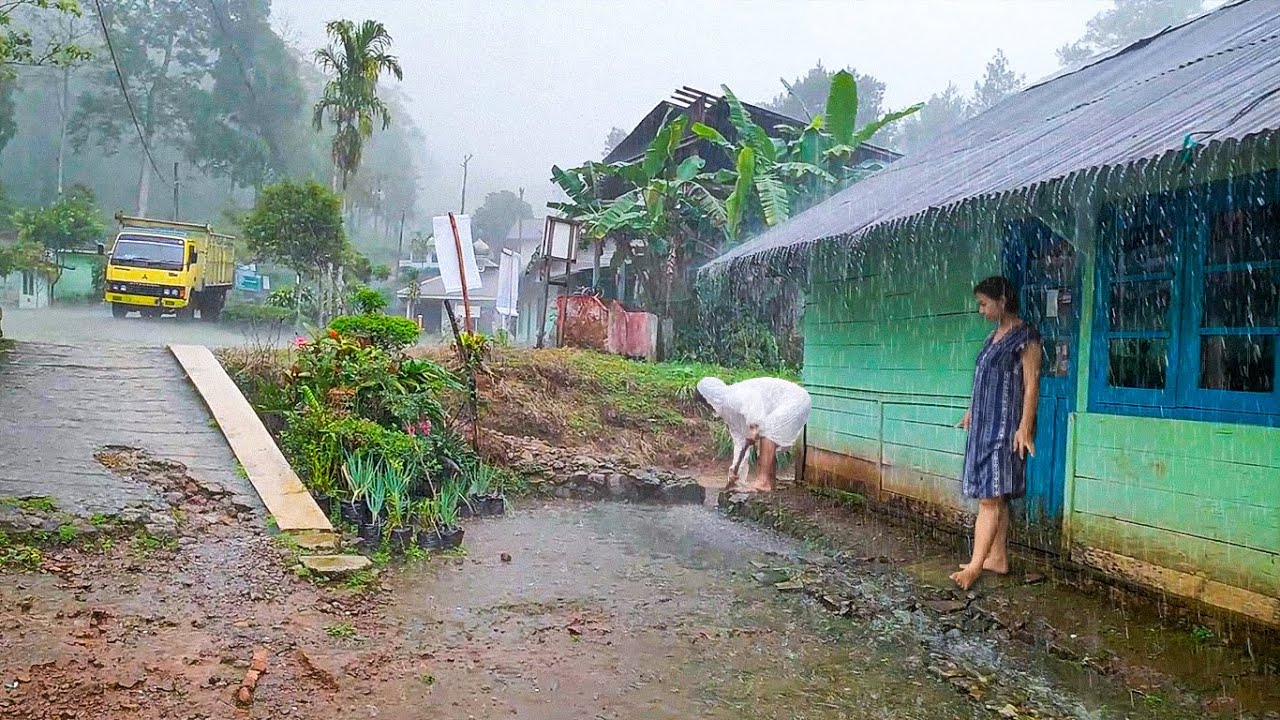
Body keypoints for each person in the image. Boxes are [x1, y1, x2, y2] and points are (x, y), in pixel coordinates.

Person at [950, 276, 1041, 591]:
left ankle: (974, 567)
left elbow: (1031, 386)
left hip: (1005, 429)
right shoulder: (993, 337)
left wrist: (1025, 426)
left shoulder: (1025, 337)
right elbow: (986, 381)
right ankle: (997, 558)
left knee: (990, 498)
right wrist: (972, 411)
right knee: (995, 496)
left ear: (1002, 300)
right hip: (984, 426)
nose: (980, 310)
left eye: (983, 303)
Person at [696, 376, 812, 493]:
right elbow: (740, 443)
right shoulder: (729, 413)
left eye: (705, 403)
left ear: (709, 398)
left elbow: (753, 399)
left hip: (795, 399)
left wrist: (754, 426)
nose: (708, 407)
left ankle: (763, 482)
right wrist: (735, 475)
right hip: (788, 403)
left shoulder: (731, 396)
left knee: (767, 431)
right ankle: (769, 484)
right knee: (765, 435)